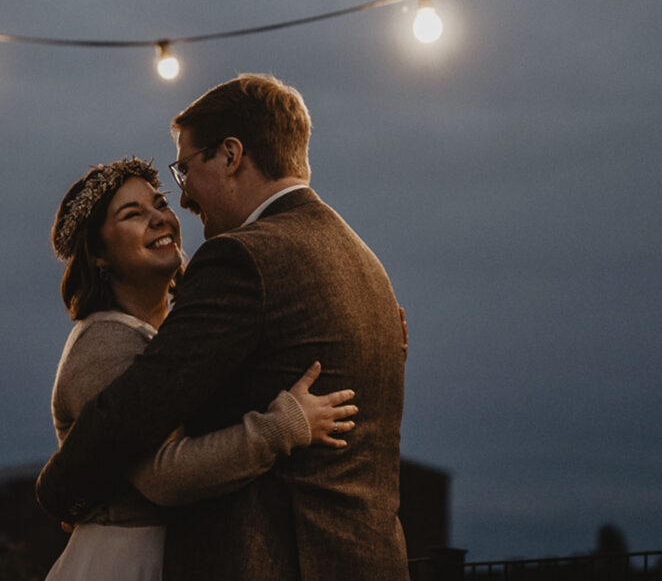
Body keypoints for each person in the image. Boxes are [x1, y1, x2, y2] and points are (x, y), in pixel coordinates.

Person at [37, 74, 409, 581]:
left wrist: (59, 491)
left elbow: (130, 413)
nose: (182, 199)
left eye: (184, 170)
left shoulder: (242, 258)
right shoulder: (366, 266)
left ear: (231, 155)